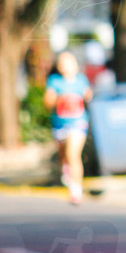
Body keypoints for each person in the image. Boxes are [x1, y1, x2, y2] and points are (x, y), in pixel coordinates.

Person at [44, 51, 93, 205]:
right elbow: (47, 103)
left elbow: (88, 96)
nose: (66, 66)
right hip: (60, 125)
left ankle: (76, 190)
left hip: (78, 122)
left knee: (74, 154)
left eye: (69, 62)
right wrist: (59, 99)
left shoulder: (81, 80)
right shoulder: (54, 81)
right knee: (64, 155)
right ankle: (65, 168)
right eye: (63, 63)